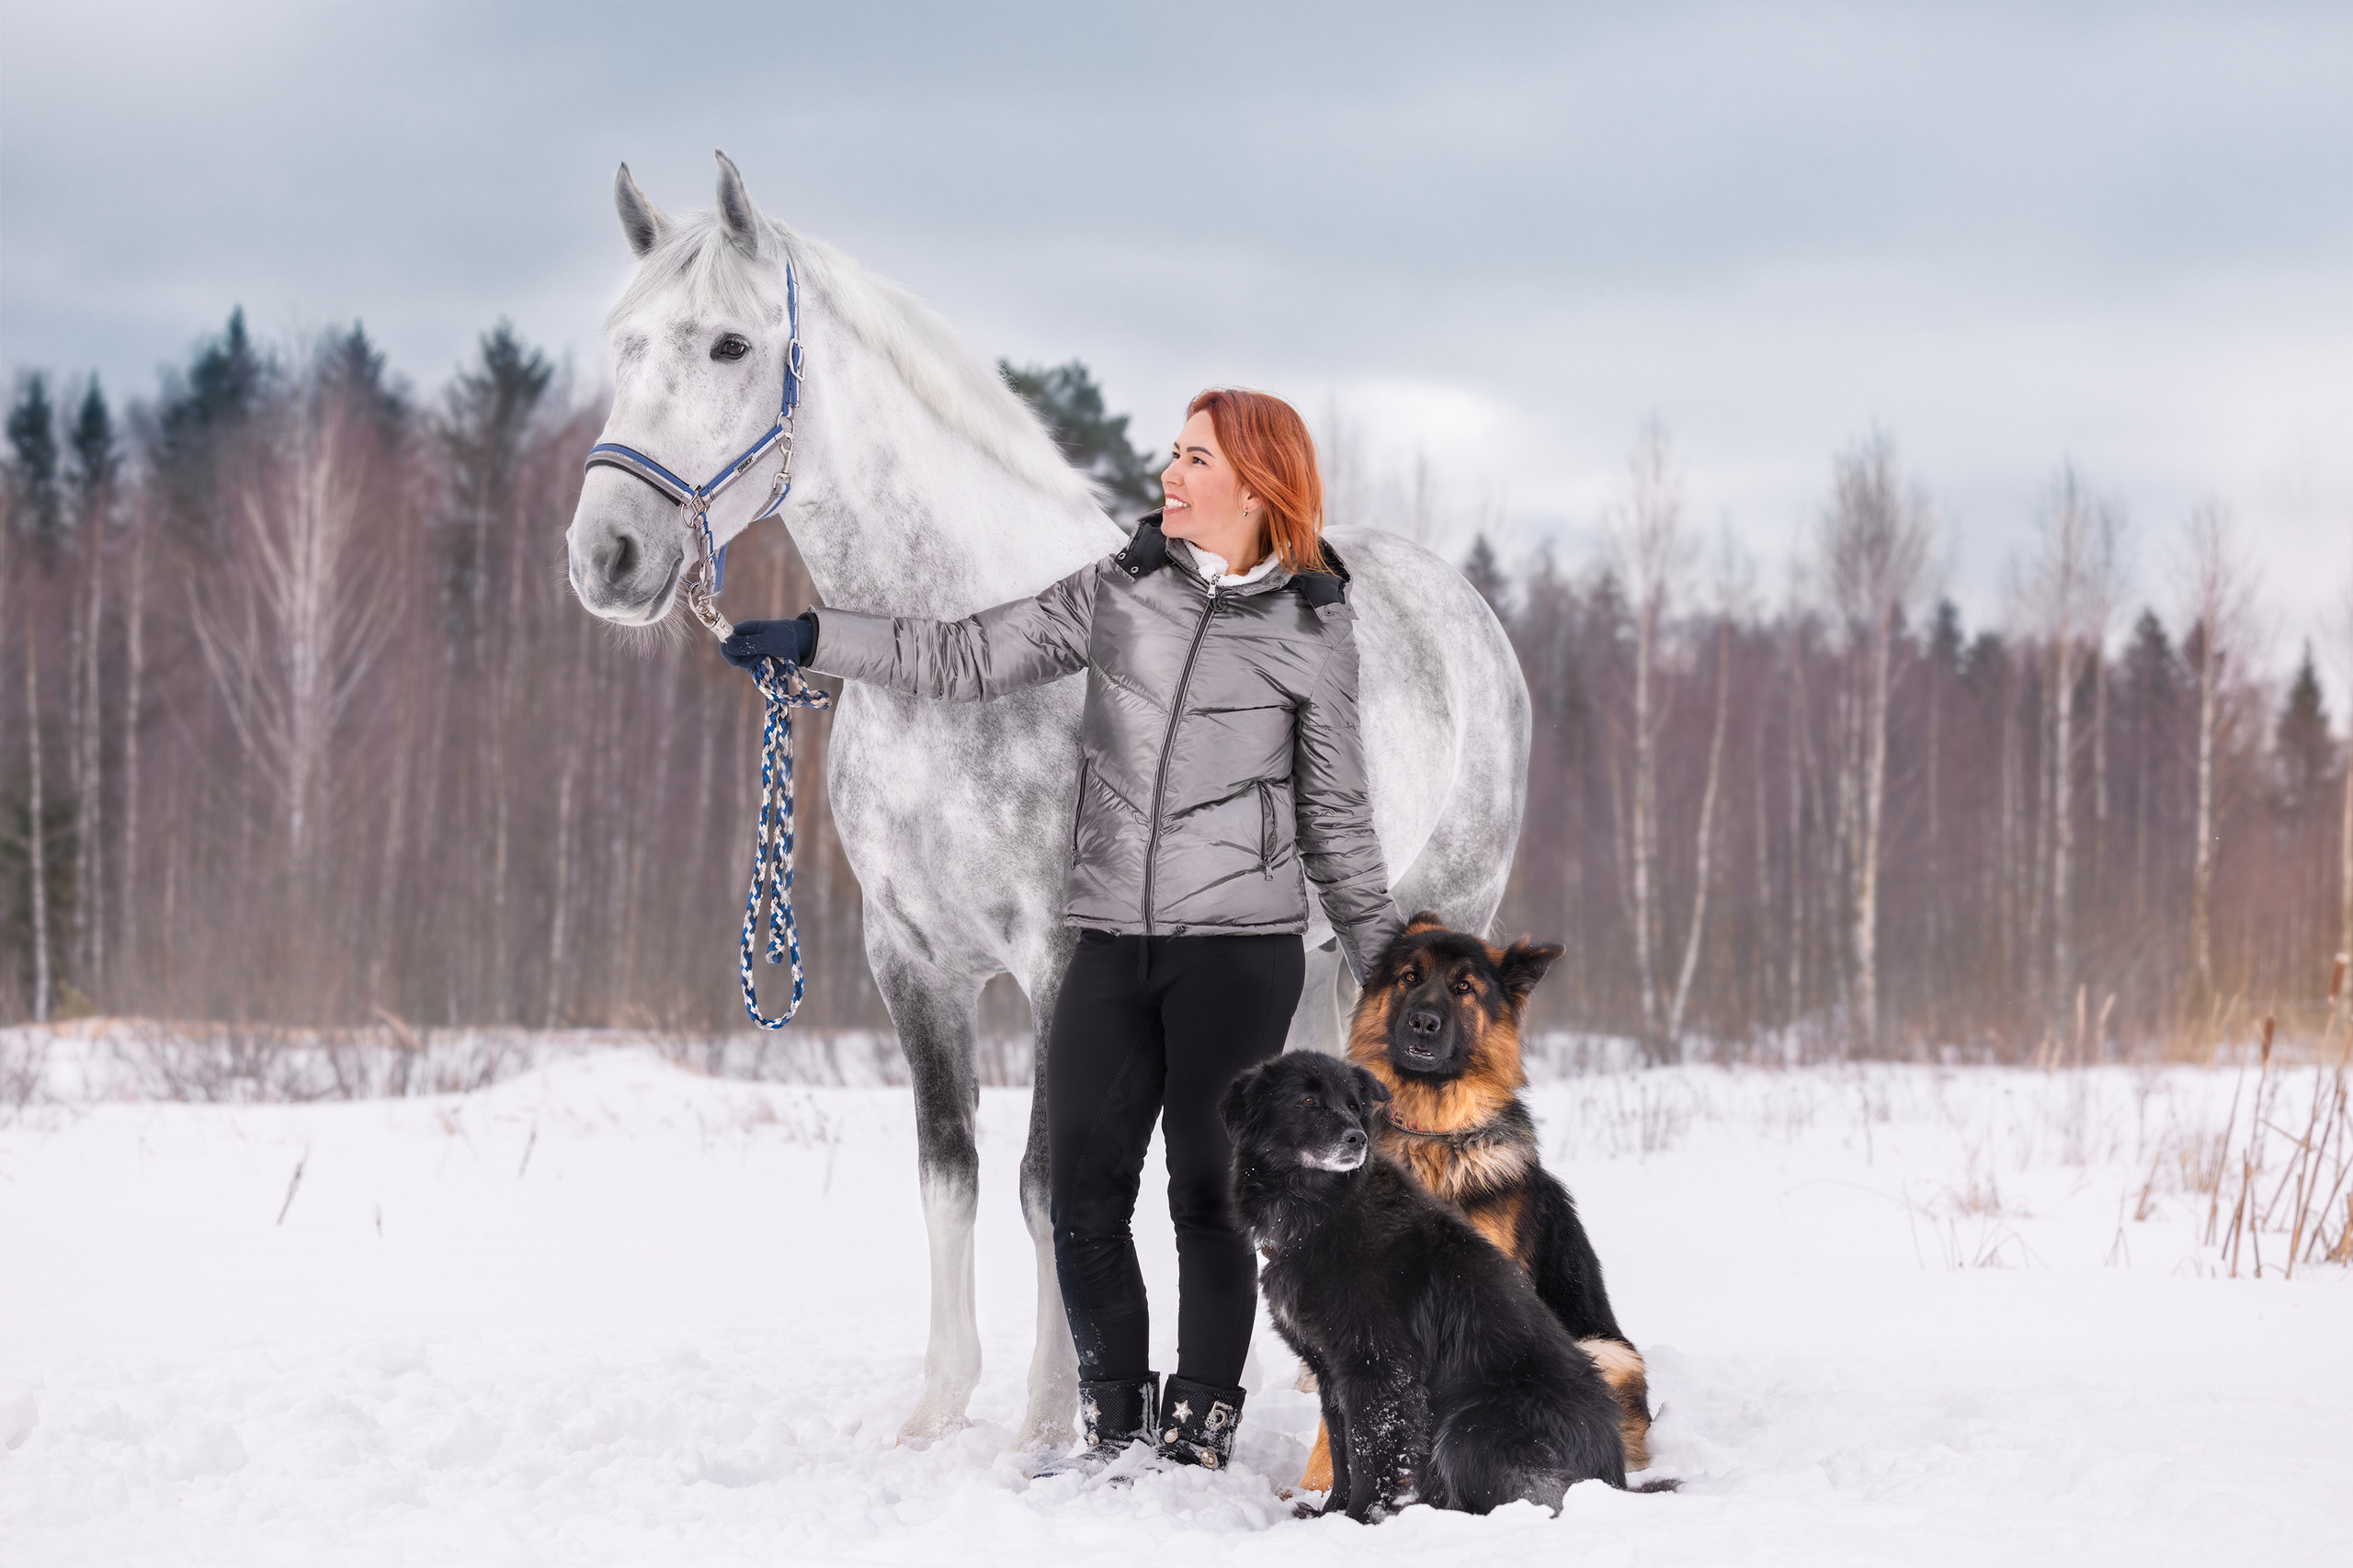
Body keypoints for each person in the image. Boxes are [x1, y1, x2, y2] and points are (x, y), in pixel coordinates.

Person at [722, 388, 1403, 1473]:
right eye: (1172, 453)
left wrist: (1393, 970)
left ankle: (1200, 1421)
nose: (1168, 474)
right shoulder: (1121, 589)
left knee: (1209, 1194)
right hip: (1106, 940)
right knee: (1082, 1191)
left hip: (1236, 948)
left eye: (1193, 459)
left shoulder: (1313, 629)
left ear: (1257, 484)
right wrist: (816, 636)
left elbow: (1337, 820)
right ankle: (1115, 1414)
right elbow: (964, 654)